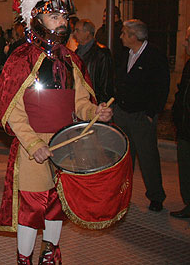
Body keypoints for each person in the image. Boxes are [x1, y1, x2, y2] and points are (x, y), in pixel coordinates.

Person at [0, 0, 124, 264]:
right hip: (34, 144)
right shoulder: (21, 58)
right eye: (54, 15)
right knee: (33, 205)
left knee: (57, 203)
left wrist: (95, 112)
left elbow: (79, 101)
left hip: (67, 143)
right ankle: (25, 259)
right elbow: (8, 107)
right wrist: (33, 144)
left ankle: (52, 255)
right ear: (36, 19)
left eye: (64, 15)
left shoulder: (71, 58)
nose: (61, 22)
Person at [114, 19, 169, 212]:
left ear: (133, 36)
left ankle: (156, 196)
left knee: (148, 158)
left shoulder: (154, 55)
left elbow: (162, 87)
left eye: (123, 33)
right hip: (122, 113)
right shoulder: (125, 54)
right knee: (124, 157)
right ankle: (123, 193)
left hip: (141, 116)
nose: (120, 37)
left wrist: (151, 113)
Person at [171, 25, 190, 219]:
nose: (185, 43)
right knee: (185, 169)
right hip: (185, 127)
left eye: (188, 39)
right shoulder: (188, 65)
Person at [73, 19, 114, 103]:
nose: (74, 33)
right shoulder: (76, 53)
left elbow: (106, 82)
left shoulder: (101, 53)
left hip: (94, 101)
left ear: (87, 32)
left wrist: (101, 103)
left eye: (77, 30)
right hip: (79, 99)